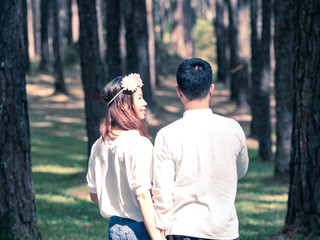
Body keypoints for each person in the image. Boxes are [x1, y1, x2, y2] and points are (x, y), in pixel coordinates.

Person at [152, 58, 249, 240]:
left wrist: (162, 229)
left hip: (183, 228)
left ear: (179, 91)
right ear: (211, 89)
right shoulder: (234, 128)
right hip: (224, 230)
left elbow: (162, 191)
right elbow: (240, 171)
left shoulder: (167, 134)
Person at [86, 73, 163, 240]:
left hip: (115, 229)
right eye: (140, 98)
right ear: (124, 105)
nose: (145, 103)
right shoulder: (138, 143)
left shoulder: (98, 145)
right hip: (141, 229)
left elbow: (94, 195)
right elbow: (143, 196)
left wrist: (118, 207)